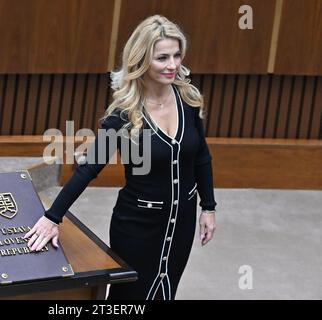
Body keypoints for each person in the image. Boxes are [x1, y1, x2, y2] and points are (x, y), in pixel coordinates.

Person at [24, 15, 217, 300]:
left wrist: (209, 207)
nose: (173, 65)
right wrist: (53, 217)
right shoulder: (123, 115)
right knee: (130, 299)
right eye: (162, 57)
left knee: (166, 291)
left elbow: (201, 156)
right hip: (137, 226)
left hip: (182, 222)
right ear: (141, 60)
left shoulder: (188, 99)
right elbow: (90, 168)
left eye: (177, 55)